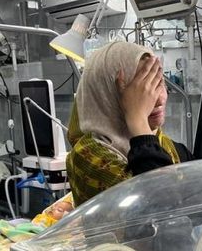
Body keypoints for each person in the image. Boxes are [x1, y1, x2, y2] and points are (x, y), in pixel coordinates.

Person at [66, 41, 194, 206]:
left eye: (158, 83)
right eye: (140, 91)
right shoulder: (88, 157)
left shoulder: (169, 146)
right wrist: (138, 120)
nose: (160, 99)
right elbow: (162, 206)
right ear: (106, 95)